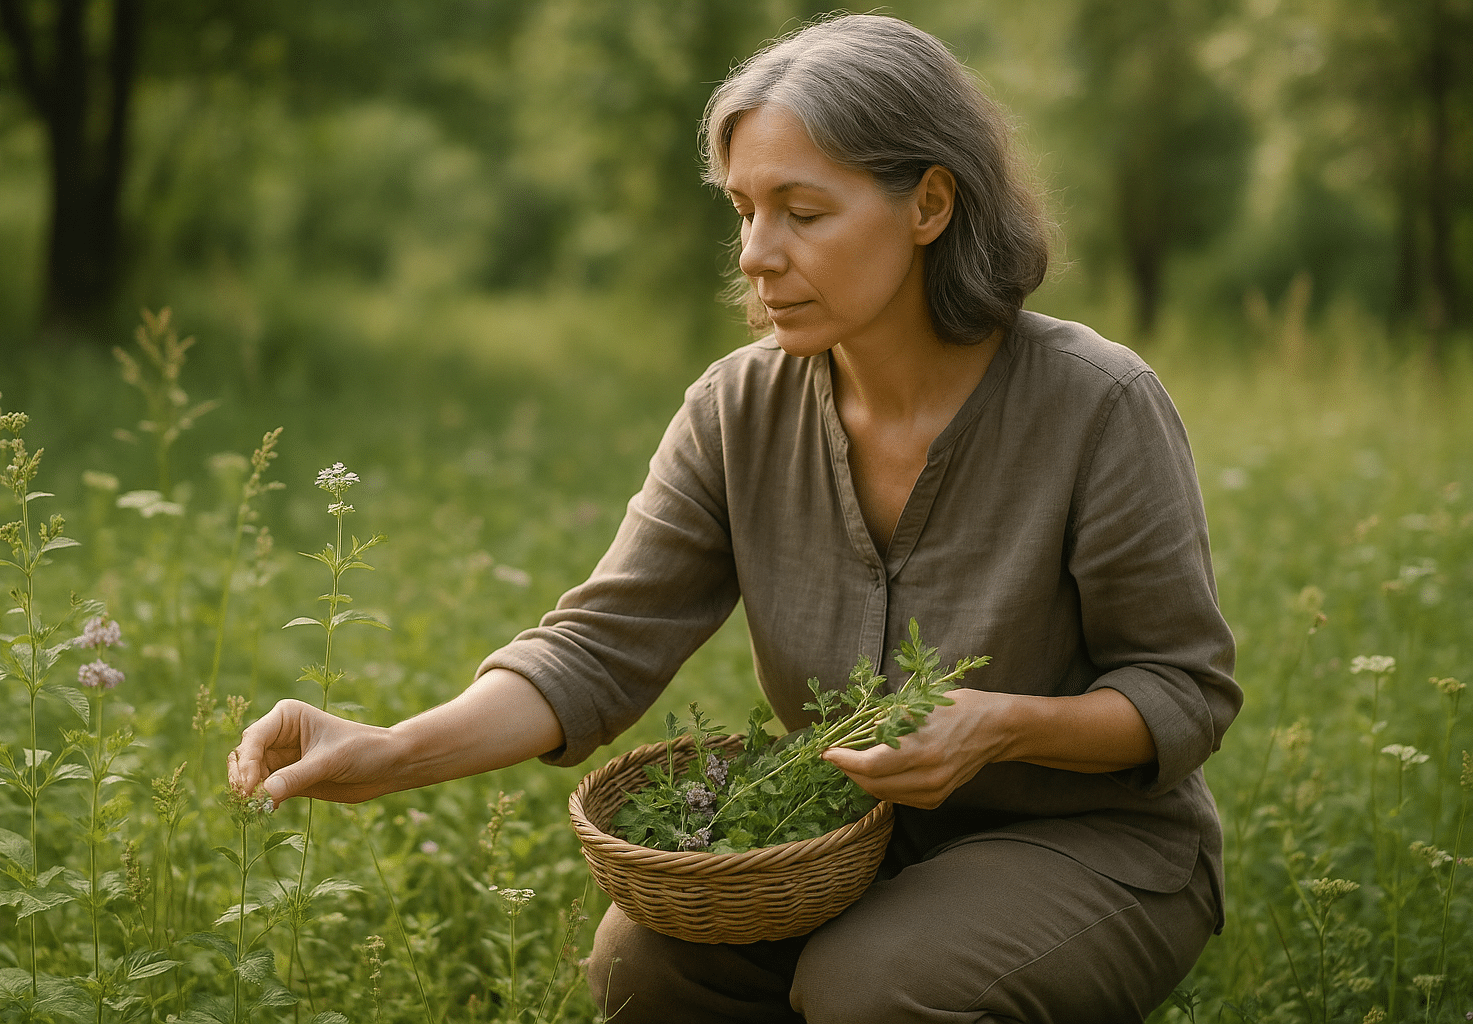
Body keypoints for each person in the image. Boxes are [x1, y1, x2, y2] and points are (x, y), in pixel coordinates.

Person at [230, 13, 1241, 1023]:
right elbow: (598, 645)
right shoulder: (737, 408)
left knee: (875, 986)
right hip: (843, 842)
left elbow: (1183, 690)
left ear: (930, 203)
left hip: (1095, 845)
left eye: (803, 212)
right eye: (745, 210)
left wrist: (1001, 727)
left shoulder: (1096, 403)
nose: (757, 254)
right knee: (645, 962)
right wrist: (392, 749)